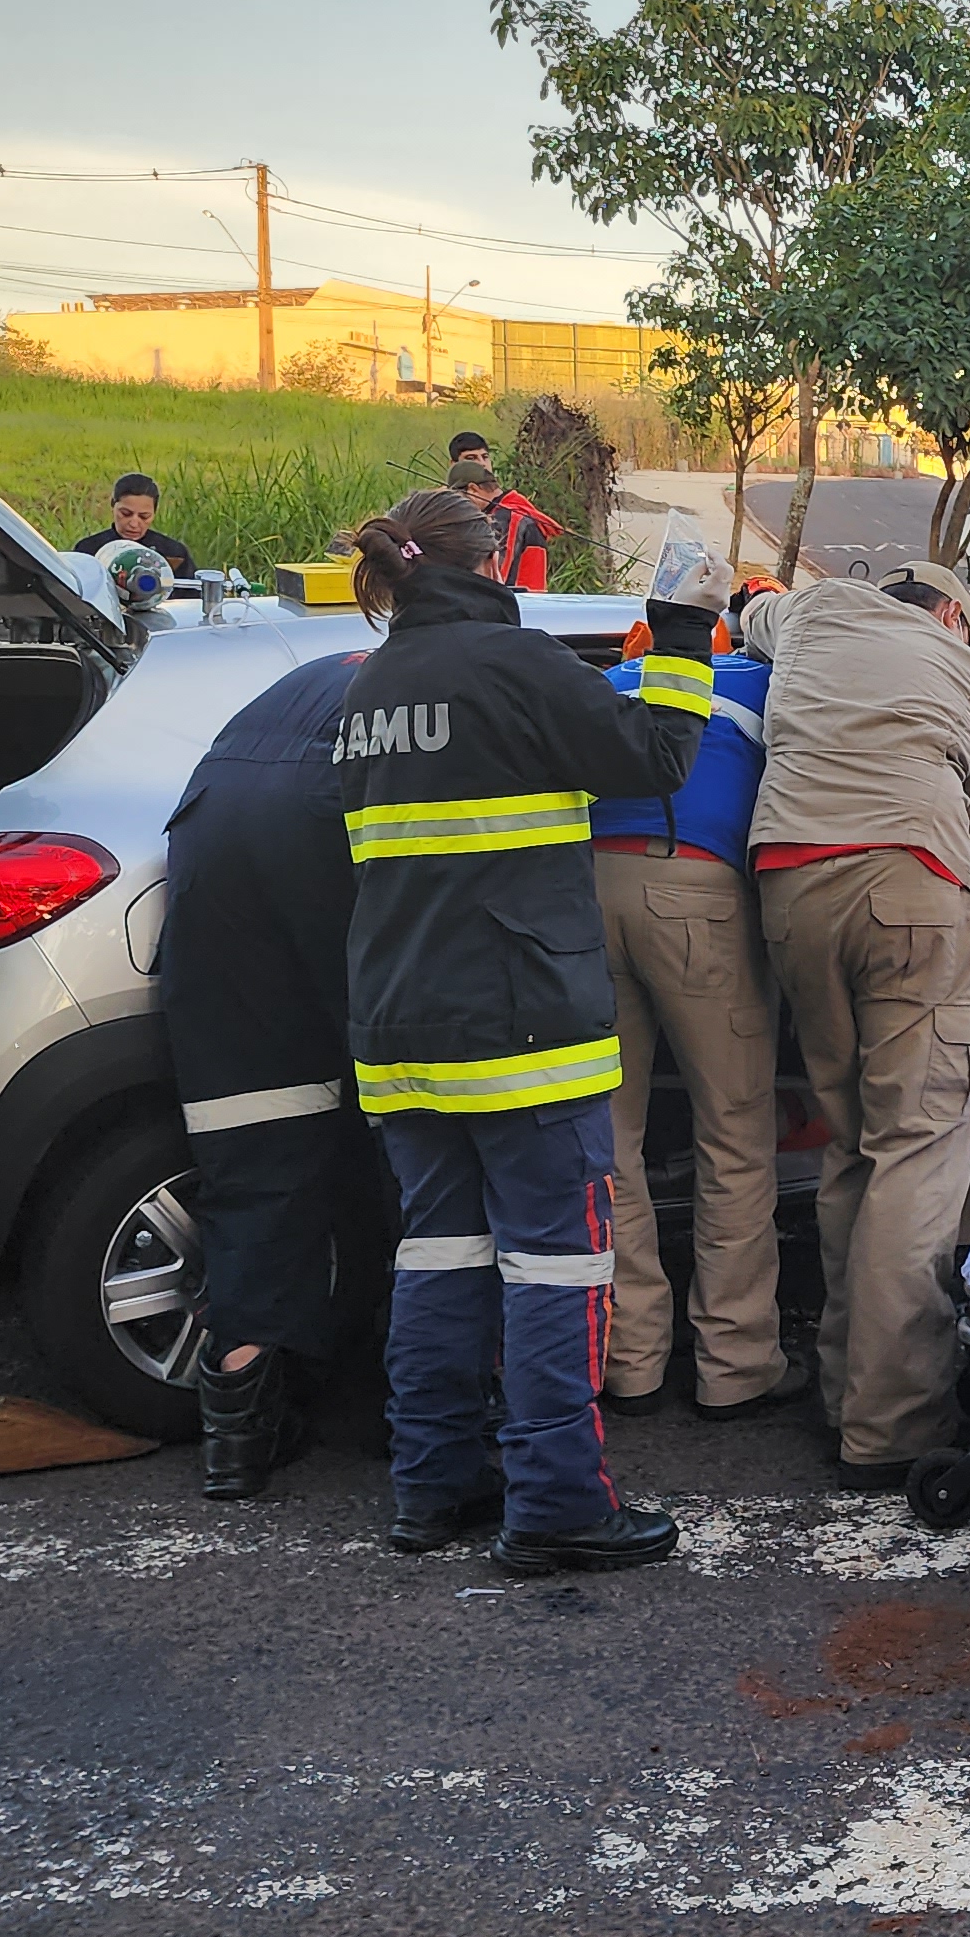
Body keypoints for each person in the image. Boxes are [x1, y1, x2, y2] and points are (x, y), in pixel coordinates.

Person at [337, 484, 724, 1574]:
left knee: (439, 1256)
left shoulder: (373, 687)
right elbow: (653, 760)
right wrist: (686, 633)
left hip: (401, 1025)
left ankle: (433, 1483)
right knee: (557, 1264)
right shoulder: (512, 664)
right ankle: (556, 1501)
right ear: (490, 560)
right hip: (519, 1027)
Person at [748, 560, 970, 1489]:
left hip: (787, 882)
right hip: (914, 882)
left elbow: (752, 611)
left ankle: (841, 1389)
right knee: (919, 1146)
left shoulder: (815, 611)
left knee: (852, 1143)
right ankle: (893, 1423)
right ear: (952, 614)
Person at [162, 646, 386, 1498]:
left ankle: (237, 1440)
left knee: (253, 1140)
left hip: (214, 832)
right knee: (412, 1137)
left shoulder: (306, 672)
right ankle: (405, 1409)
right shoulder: (450, 676)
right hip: (327, 833)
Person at [594, 601, 795, 1421]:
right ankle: (735, 1363)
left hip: (587, 892)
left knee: (610, 1140)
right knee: (736, 1135)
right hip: (698, 891)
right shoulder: (757, 680)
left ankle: (627, 1358)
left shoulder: (608, 684)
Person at [451, 459, 558, 592]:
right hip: (529, 605)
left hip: (517, 606)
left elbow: (495, 577)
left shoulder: (507, 519)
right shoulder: (518, 512)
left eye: (457, 498)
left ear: (473, 490)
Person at [74, 473, 193, 573]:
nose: (134, 524)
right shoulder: (88, 550)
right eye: (126, 514)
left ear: (154, 513)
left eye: (144, 516)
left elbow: (191, 596)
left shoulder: (174, 553)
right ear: (112, 505)